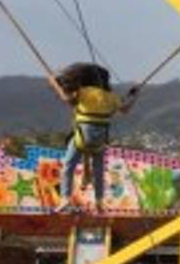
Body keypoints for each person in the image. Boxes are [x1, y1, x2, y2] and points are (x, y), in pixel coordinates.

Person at [54, 65, 136, 213]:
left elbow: (66, 98)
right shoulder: (110, 97)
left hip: (81, 136)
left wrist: (55, 83)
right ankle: (99, 200)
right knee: (98, 169)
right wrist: (134, 96)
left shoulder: (83, 92)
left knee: (68, 165)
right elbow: (125, 109)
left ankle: (65, 198)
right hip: (99, 139)